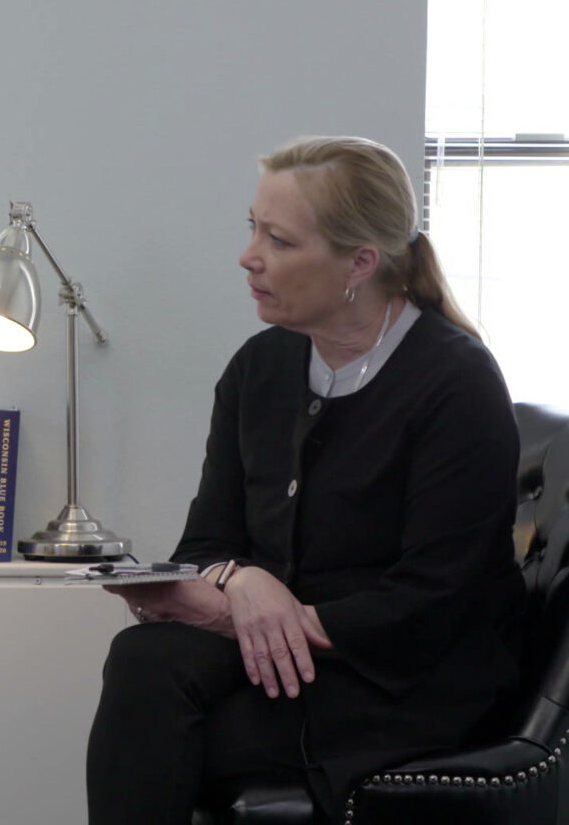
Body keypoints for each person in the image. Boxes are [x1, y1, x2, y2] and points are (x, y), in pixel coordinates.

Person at [85, 136, 524, 823]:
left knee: (166, 735)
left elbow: (437, 598)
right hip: (286, 664)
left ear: (359, 262)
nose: (248, 256)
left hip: (403, 682)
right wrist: (242, 582)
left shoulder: (455, 384)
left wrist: (243, 614)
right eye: (252, 228)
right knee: (145, 659)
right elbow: (206, 543)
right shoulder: (258, 369)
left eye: (280, 241)